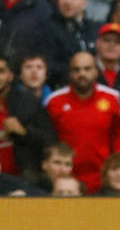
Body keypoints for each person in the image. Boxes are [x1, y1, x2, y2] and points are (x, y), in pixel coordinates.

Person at [44, 50, 120, 194]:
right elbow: (48, 141)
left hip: (104, 182)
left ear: (96, 71)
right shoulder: (54, 101)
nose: (82, 74)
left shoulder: (113, 98)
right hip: (66, 183)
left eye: (87, 69)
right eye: (76, 70)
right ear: (70, 73)